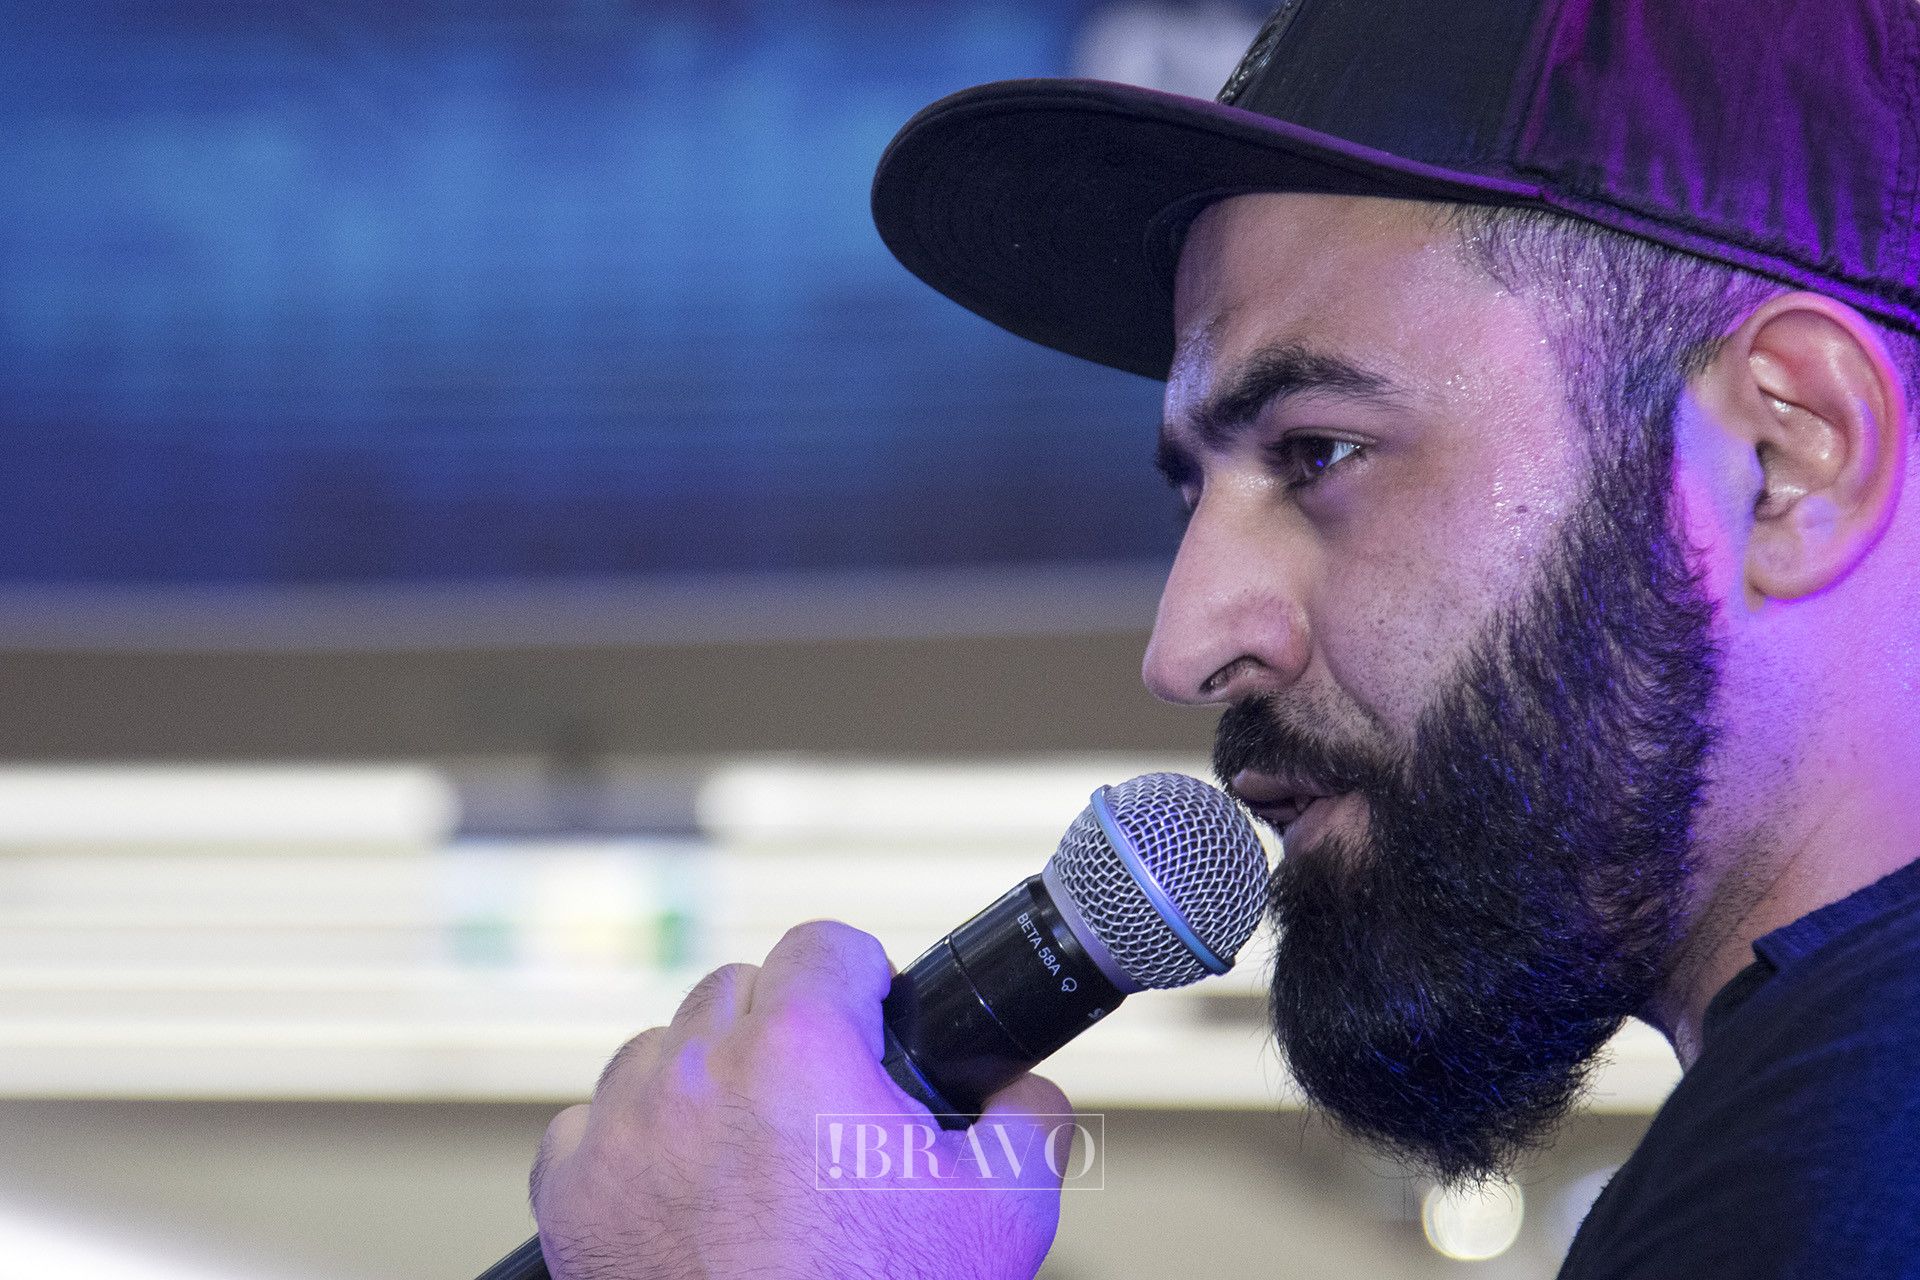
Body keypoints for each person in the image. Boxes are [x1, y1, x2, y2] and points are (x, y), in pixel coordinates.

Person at [527, 0, 1920, 1275]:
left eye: (1317, 452)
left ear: (1787, 455)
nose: (1186, 645)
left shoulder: (1842, 1168)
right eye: (1192, 493)